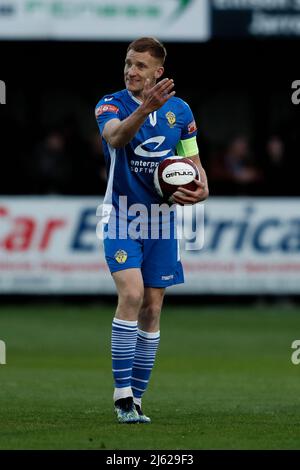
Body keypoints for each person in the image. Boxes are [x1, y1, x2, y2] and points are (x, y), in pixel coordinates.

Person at [95, 37, 209, 424]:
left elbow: (193, 162)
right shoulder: (110, 104)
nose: (131, 70)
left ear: (158, 72)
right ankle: (122, 396)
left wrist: (202, 186)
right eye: (129, 62)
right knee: (131, 293)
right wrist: (145, 109)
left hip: (162, 221)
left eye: (141, 65)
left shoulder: (181, 111)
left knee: (153, 307)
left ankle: (138, 400)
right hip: (122, 215)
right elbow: (115, 137)